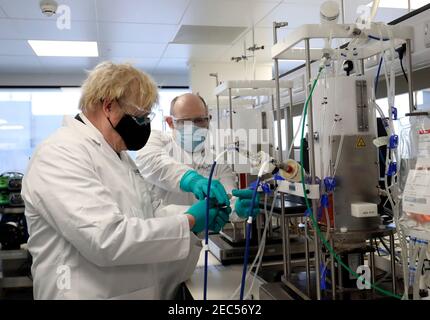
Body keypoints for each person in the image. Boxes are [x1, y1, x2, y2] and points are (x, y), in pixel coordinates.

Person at [20, 62, 231, 300]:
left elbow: (149, 212)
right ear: (108, 106)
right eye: (139, 117)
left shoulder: (117, 155)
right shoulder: (59, 153)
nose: (144, 126)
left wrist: (196, 217)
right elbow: (106, 238)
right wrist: (190, 220)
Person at [135, 93, 261, 228]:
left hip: (198, 244)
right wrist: (191, 180)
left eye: (200, 120)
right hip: (159, 237)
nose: (194, 127)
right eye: (185, 122)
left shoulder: (217, 164)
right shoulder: (157, 140)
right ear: (171, 123)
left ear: (208, 120)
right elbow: (152, 161)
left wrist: (238, 207)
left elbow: (228, 201)